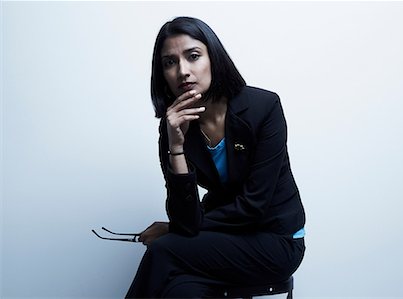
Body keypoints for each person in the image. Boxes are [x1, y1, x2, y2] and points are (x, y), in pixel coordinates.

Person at [125, 16, 306, 298]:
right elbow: (184, 216)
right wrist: (176, 146)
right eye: (170, 63)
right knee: (180, 291)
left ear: (214, 58)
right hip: (224, 239)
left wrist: (175, 230)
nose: (182, 71)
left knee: (164, 251)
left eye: (193, 56)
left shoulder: (263, 108)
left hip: (276, 241)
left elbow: (253, 205)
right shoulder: (174, 125)